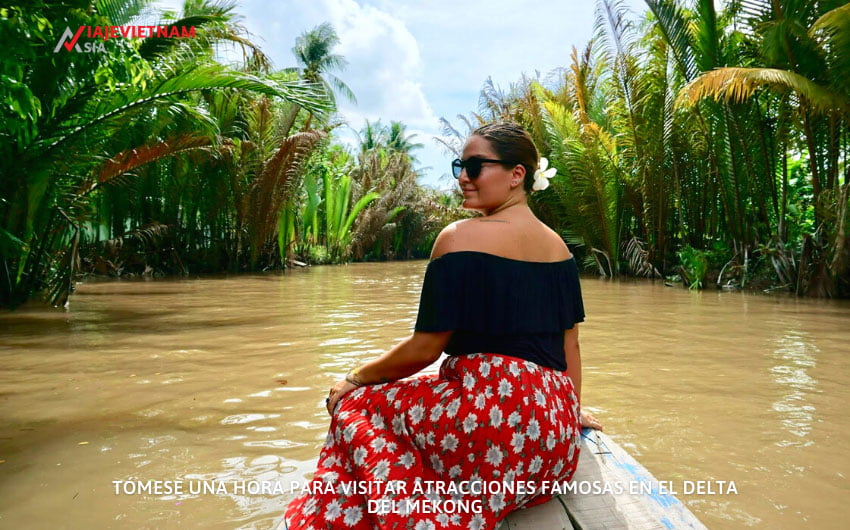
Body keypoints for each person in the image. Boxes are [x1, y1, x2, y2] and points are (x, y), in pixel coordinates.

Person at [284, 122, 602, 529]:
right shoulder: (560, 249)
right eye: (459, 166)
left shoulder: (458, 238)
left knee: (355, 405)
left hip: (493, 436)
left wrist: (353, 379)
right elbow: (569, 346)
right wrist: (570, 412)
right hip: (552, 453)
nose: (463, 178)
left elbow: (425, 349)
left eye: (474, 166)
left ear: (517, 174)